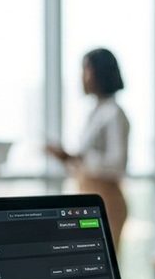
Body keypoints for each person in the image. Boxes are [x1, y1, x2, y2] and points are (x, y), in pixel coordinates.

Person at [48, 48, 130, 246]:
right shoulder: (95, 112)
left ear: (99, 73)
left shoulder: (114, 114)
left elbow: (117, 164)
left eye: (86, 70)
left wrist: (76, 159)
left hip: (107, 201)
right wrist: (68, 159)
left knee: (104, 268)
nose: (82, 77)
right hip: (87, 199)